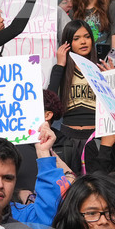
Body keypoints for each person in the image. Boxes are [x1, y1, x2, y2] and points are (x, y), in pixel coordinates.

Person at [47, 20, 105, 174]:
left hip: (95, 137)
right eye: (76, 38)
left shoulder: (100, 68)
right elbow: (49, 101)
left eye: (86, 37)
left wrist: (110, 76)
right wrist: (60, 65)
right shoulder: (63, 69)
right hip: (68, 138)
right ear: (67, 43)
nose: (83, 41)